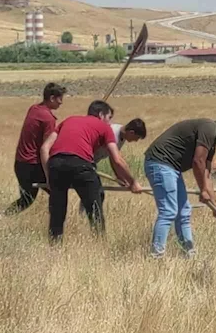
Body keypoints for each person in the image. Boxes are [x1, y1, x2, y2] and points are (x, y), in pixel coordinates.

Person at [40, 100, 143, 242]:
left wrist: (48, 177)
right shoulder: (104, 127)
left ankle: (54, 245)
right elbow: (117, 160)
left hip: (55, 164)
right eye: (109, 117)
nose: (110, 122)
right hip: (81, 165)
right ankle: (99, 243)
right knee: (95, 208)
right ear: (101, 114)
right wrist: (133, 182)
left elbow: (45, 148)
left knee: (57, 211)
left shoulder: (68, 120)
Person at [143, 112, 216, 258]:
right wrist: (202, 190)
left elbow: (206, 174)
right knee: (169, 211)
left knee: (184, 211)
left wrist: (215, 206)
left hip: (172, 168)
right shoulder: (209, 128)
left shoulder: (212, 141)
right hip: (160, 162)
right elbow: (198, 162)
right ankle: (156, 255)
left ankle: (189, 253)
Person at [4, 82, 66, 216]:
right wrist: (49, 176)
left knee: (27, 199)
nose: (61, 102)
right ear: (52, 98)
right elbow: (45, 149)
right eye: (60, 99)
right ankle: (56, 224)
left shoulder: (34, 108)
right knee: (58, 191)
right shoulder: (48, 119)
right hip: (32, 165)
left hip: (20, 163)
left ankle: (3, 216)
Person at [79, 118, 147, 215]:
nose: (135, 141)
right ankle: (85, 216)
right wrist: (132, 182)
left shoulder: (121, 138)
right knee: (95, 192)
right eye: (136, 138)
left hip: (91, 163)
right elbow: (118, 160)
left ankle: (84, 216)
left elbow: (113, 157)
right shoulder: (113, 132)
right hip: (84, 160)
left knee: (92, 191)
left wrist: (120, 177)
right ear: (131, 132)